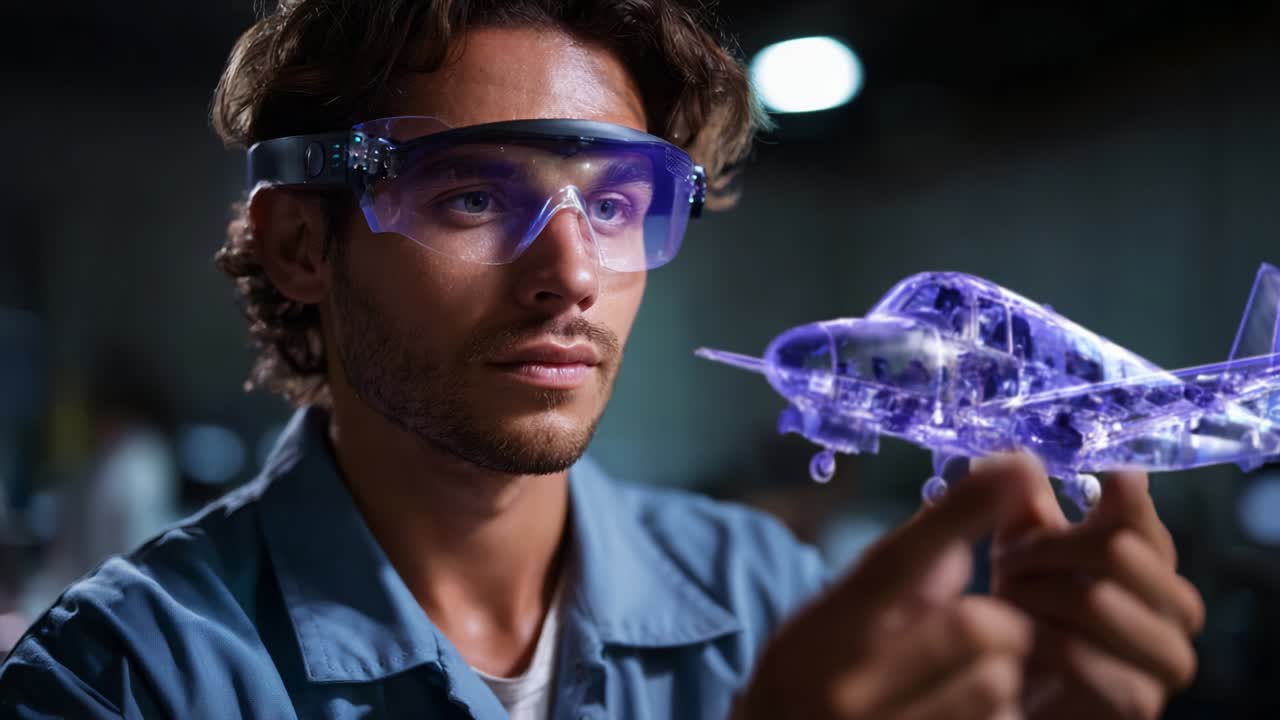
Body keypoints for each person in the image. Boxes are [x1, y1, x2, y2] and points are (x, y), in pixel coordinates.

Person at [0, 1, 1203, 718]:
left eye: (617, 205)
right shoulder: (123, 677)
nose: (570, 274)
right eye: (474, 196)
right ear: (303, 244)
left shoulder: (768, 598)